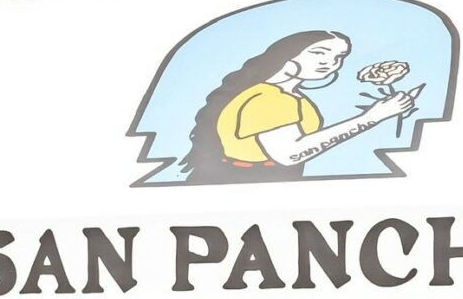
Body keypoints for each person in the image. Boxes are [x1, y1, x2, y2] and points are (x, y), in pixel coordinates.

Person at [180, 30, 420, 184]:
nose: (331, 63)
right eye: (319, 53)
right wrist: (372, 117)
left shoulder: (294, 98)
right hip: (249, 183)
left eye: (339, 57)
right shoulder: (269, 98)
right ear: (288, 55)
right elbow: (289, 153)